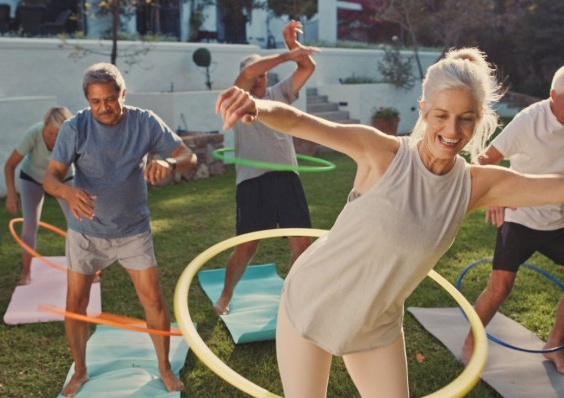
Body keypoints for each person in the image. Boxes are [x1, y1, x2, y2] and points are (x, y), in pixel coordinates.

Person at [215, 48, 564, 397]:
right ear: (423, 110)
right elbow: (301, 122)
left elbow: (554, 187)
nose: (452, 130)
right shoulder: (382, 154)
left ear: (480, 118)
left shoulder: (476, 185)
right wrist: (257, 107)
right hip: (312, 302)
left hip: (375, 326)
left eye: (466, 118)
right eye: (441, 115)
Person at [43, 62, 196, 397]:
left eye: (110, 99)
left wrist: (169, 163)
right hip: (85, 230)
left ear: (122, 94)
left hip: (132, 230)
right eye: (96, 101)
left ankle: (164, 368)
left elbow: (189, 156)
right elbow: (50, 177)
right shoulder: (75, 128)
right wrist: (68, 192)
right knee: (75, 303)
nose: (104, 108)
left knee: (153, 299)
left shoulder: (145, 122)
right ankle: (80, 371)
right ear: (87, 99)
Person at [213, 20, 320, 315]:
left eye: (264, 76)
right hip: (252, 181)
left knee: (302, 244)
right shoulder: (237, 98)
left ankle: (295, 299)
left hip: (286, 177)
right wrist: (287, 57)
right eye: (256, 76)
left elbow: (307, 68)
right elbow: (247, 73)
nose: (260, 80)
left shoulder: (279, 94)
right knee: (247, 247)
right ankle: (224, 297)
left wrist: (291, 44)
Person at [462, 65, 564, 373]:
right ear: (552, 96)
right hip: (520, 218)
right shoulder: (529, 121)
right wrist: (498, 195)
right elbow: (482, 161)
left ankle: (553, 346)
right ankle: (470, 344)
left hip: (558, 221)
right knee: (500, 287)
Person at [4, 106, 74, 285]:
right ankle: (26, 273)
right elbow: (9, 165)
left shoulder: (72, 138)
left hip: (62, 179)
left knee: (77, 224)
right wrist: (11, 194)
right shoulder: (34, 133)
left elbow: (87, 165)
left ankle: (85, 270)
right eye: (51, 133)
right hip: (32, 179)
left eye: (60, 134)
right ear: (45, 127)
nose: (55, 138)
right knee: (29, 226)